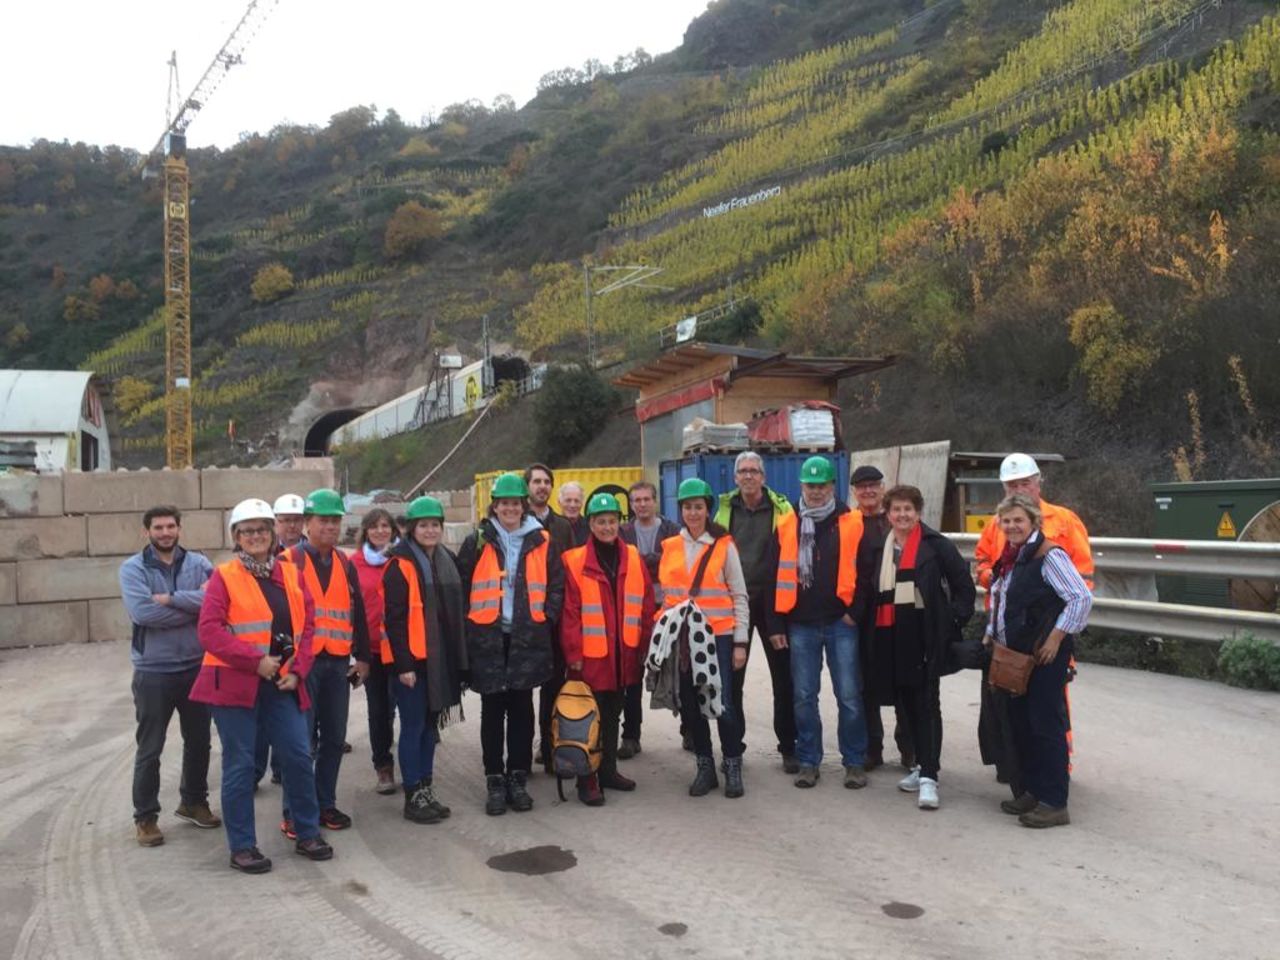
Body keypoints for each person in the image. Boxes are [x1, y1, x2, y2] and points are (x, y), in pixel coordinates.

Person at [192, 498, 333, 873]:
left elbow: (309, 626)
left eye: (262, 530)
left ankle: (307, 832)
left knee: (299, 756)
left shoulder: (289, 573)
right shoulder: (224, 576)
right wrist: (254, 662)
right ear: (236, 537)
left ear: (273, 535)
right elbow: (209, 631)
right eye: (247, 531)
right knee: (240, 763)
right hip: (235, 686)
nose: (255, 536)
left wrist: (299, 670)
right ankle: (242, 846)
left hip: (282, 684)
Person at [853, 485, 975, 811]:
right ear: (888, 514)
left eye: (908, 509)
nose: (902, 515)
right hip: (889, 635)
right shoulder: (882, 547)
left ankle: (930, 777)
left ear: (918, 512)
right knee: (906, 705)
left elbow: (964, 586)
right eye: (896, 510)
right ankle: (921, 765)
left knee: (926, 704)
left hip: (923, 635)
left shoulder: (936, 546)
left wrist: (951, 625)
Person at [974, 453, 1093, 786]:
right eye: (1012, 484)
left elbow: (1082, 581)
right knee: (1014, 704)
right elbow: (983, 562)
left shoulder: (1065, 521)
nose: (1019, 488)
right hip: (1008, 634)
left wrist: (1060, 630)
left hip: (1046, 633)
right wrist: (990, 579)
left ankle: (1058, 770)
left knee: (1050, 706)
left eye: (1025, 482)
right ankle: (1019, 769)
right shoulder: (998, 523)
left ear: (1039, 481)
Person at [458, 473, 564, 816]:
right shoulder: (478, 540)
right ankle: (494, 780)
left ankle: (518, 778)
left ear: (523, 506)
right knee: (492, 711)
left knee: (521, 710)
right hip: (488, 637)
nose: (510, 509)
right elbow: (462, 585)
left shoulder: (542, 540)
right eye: (504, 503)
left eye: (515, 503)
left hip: (527, 637)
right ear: (495, 506)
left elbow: (557, 585)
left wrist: (545, 619)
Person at [119, 505, 219, 847]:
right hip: (153, 672)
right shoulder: (132, 569)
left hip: (195, 666)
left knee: (199, 742)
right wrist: (193, 609)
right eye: (158, 527)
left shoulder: (199, 564)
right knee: (150, 747)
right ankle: (145, 817)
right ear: (146, 531)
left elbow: (216, 602)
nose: (165, 533)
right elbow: (143, 612)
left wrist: (171, 599)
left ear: (179, 529)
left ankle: (194, 801)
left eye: (170, 526)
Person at [766, 457, 869, 790]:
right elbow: (772, 578)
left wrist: (855, 611)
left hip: (841, 622)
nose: (815, 491)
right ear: (801, 487)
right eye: (810, 485)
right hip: (800, 624)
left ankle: (854, 762)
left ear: (832, 487)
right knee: (804, 696)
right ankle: (809, 761)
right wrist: (776, 625)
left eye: (821, 485)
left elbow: (866, 571)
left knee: (850, 696)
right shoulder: (786, 523)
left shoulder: (852, 521)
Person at [280, 488, 371, 837]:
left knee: (334, 739)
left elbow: (356, 610)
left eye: (335, 520)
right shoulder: (289, 562)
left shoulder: (345, 563)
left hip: (336, 665)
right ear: (307, 523)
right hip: (303, 666)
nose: (331, 527)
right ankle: (294, 811)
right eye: (324, 520)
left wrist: (363, 656)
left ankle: (325, 803)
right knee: (299, 743)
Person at [560, 492, 656, 805]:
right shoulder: (574, 561)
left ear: (620, 523)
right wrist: (573, 656)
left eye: (612, 521)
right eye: (601, 522)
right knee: (589, 719)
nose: (607, 527)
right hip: (591, 658)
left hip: (624, 655)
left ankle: (609, 771)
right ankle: (587, 780)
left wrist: (645, 644)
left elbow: (644, 605)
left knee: (614, 714)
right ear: (590, 524)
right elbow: (570, 614)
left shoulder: (632, 556)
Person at [657, 478, 750, 799]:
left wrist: (741, 642)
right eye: (687, 507)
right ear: (680, 510)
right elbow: (668, 599)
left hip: (719, 639)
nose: (693, 512)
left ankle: (733, 765)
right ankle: (705, 766)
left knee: (722, 705)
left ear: (708, 509)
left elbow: (739, 595)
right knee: (692, 708)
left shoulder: (724, 545)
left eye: (698, 506)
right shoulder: (669, 546)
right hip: (683, 640)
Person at [381, 496, 468, 823]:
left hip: (439, 660)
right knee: (414, 727)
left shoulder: (445, 560)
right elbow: (394, 620)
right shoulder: (398, 566)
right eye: (423, 525)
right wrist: (403, 665)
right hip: (412, 664)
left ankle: (426, 788)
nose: (430, 530)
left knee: (431, 728)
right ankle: (412, 795)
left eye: (435, 525)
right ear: (411, 529)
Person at [712, 451, 797, 772]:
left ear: (763, 477)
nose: (748, 476)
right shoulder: (722, 509)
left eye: (753, 471)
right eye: (742, 471)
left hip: (773, 603)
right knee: (732, 681)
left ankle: (789, 747)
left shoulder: (782, 510)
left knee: (784, 679)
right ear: (735, 478)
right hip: (734, 604)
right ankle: (734, 747)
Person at [850, 464, 913, 772]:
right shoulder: (848, 523)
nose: (868, 491)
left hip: (898, 611)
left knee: (903, 678)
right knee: (867, 684)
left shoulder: (895, 523)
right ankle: (872, 748)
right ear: (854, 492)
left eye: (874, 485)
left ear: (882, 488)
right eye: (862, 487)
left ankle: (908, 746)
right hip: (863, 617)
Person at [618, 481, 679, 760]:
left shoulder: (671, 530)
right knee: (632, 676)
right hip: (634, 610)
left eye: (646, 499)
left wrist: (641, 560)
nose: (641, 504)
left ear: (655, 501)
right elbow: (624, 565)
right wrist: (654, 560)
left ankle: (689, 730)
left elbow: (674, 563)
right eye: (636, 500)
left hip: (668, 608)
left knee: (679, 671)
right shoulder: (622, 532)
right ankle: (631, 736)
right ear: (631, 505)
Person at [255, 492, 308, 785]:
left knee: (289, 712)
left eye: (296, 520)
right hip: (262, 650)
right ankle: (256, 769)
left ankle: (280, 767)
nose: (290, 526)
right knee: (261, 717)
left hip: (295, 645)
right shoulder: (261, 550)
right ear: (275, 523)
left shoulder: (308, 554)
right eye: (285, 520)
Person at [349, 508, 399, 795]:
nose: (381, 531)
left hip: (402, 649)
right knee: (378, 710)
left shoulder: (401, 559)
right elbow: (352, 609)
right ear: (365, 531)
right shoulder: (354, 564)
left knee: (406, 706)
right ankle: (383, 767)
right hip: (372, 650)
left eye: (385, 526)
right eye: (374, 527)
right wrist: (359, 653)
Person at [524, 463, 573, 554]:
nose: (543, 486)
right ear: (526, 487)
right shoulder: (518, 523)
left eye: (547, 482)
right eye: (537, 481)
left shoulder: (563, 526)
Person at [559, 481, 589, 548]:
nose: (572, 505)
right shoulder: (551, 528)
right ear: (559, 502)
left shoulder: (591, 529)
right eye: (568, 500)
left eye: (577, 501)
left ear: (582, 503)